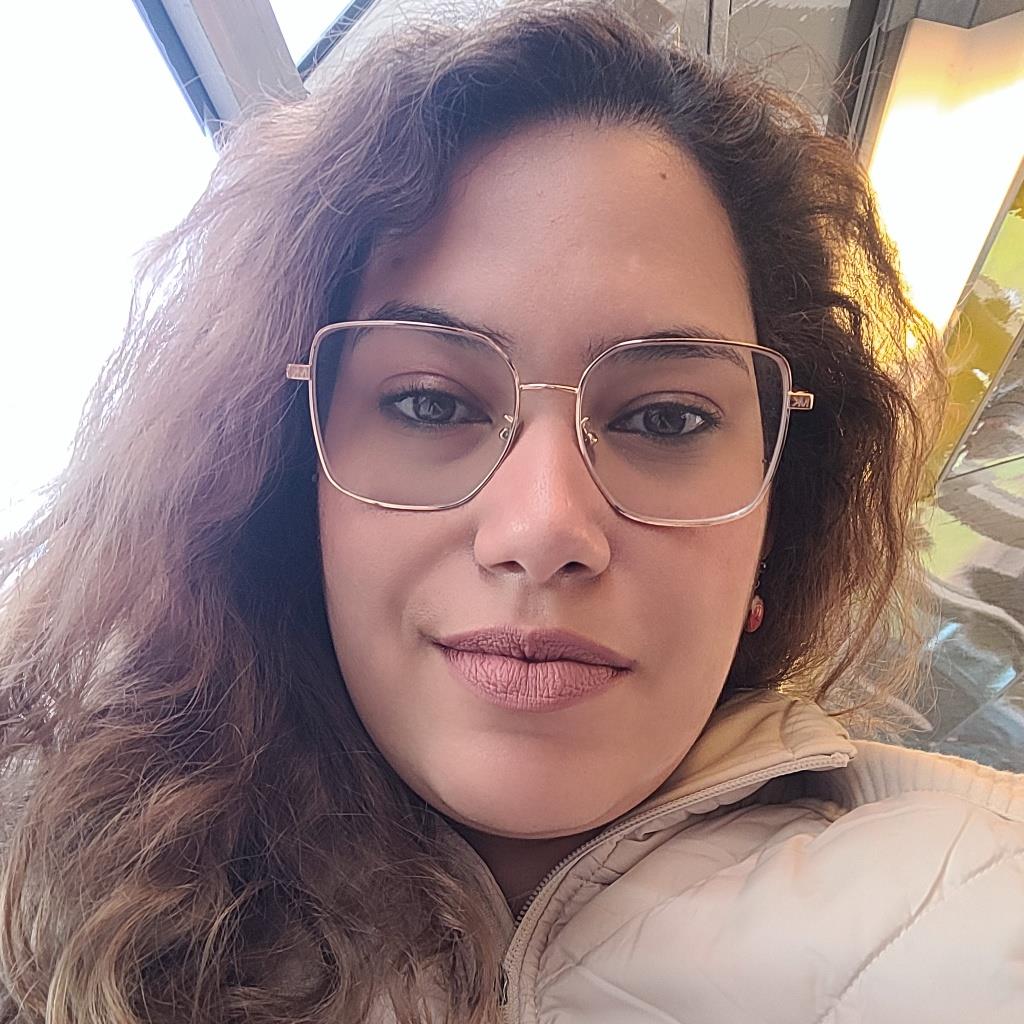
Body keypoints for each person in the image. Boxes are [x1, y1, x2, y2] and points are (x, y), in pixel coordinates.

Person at [1, 2, 1022, 1022]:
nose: (541, 530)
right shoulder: (48, 860)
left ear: (772, 526)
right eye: (428, 403)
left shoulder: (974, 900)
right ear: (287, 482)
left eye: (666, 417)